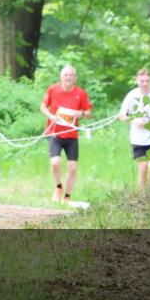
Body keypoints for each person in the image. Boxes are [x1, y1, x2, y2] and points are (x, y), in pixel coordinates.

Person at [40, 65, 93, 204]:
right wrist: (51, 116)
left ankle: (67, 196)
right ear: (61, 77)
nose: (68, 77)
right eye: (66, 75)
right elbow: (43, 107)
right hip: (54, 133)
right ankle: (58, 187)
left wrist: (79, 113)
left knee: (72, 167)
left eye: (71, 75)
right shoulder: (53, 89)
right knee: (55, 162)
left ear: (75, 78)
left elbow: (88, 113)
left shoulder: (81, 93)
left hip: (71, 135)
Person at [118, 68, 150, 191]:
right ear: (137, 81)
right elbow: (122, 116)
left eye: (147, 81)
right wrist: (135, 121)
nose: (145, 84)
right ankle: (142, 195)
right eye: (142, 81)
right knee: (142, 169)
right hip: (138, 139)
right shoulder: (132, 96)